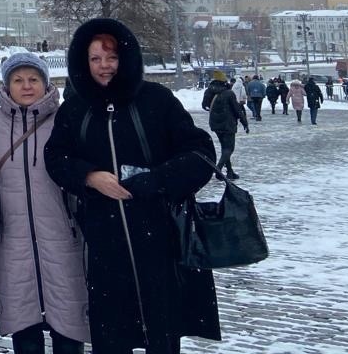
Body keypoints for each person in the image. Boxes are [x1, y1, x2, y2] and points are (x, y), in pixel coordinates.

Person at [43, 18, 220, 354]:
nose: (104, 66)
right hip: (105, 242)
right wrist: (89, 176)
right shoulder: (77, 108)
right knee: (111, 336)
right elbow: (56, 157)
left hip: (157, 235)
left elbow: (199, 152)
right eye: (95, 59)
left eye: (110, 58)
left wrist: (154, 181)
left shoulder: (155, 99)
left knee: (162, 333)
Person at [0, 52, 88, 354]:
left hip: (62, 237)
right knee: (25, 332)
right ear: (7, 86)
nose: (26, 86)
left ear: (46, 83)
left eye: (33, 79)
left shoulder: (66, 118)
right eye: (18, 80)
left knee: (68, 331)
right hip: (13, 241)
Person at [204, 71, 249, 179]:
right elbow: (237, 110)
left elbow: (204, 105)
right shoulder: (228, 93)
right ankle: (218, 169)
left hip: (215, 124)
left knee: (225, 148)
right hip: (228, 124)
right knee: (229, 148)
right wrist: (245, 123)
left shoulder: (209, 91)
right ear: (224, 81)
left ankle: (230, 172)